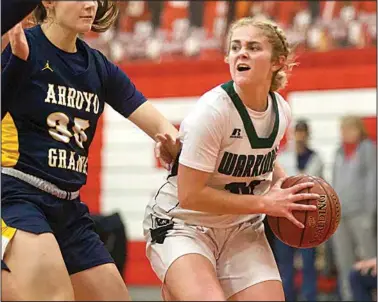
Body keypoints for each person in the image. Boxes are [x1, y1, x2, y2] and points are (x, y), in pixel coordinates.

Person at [1, 1, 178, 301]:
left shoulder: (98, 67)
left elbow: (160, 125)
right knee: (55, 296)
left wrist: (173, 144)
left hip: (69, 208)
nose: (91, 4)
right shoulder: (18, 44)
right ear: (49, 2)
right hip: (16, 195)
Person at [144, 16, 320, 301]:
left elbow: (264, 157)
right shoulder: (213, 111)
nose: (242, 52)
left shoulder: (281, 111)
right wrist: (266, 203)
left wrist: (288, 189)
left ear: (277, 61)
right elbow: (190, 195)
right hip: (184, 224)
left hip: (241, 228)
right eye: (235, 47)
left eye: (253, 47)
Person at [275, 119, 324, 301]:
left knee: (308, 263)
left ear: (308, 134)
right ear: (293, 134)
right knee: (286, 264)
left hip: (308, 218)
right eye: (298, 132)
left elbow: (318, 187)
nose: (300, 136)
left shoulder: (315, 158)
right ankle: (288, 297)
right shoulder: (283, 157)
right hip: (286, 217)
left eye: (303, 132)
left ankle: (309, 297)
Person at [331, 115, 377, 301]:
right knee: (344, 262)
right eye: (342, 129)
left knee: (369, 260)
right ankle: (349, 297)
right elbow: (334, 182)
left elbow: (372, 182)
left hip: (361, 214)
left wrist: (369, 213)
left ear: (358, 130)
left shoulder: (368, 149)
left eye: (349, 129)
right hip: (341, 215)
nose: (345, 133)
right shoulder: (338, 152)